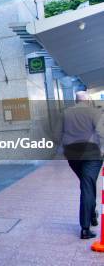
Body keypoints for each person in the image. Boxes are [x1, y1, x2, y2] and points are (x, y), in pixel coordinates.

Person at [61, 91, 103, 239]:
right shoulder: (95, 112)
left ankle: (92, 214)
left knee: (87, 184)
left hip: (73, 156)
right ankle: (85, 228)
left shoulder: (66, 113)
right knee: (87, 186)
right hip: (91, 155)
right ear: (88, 101)